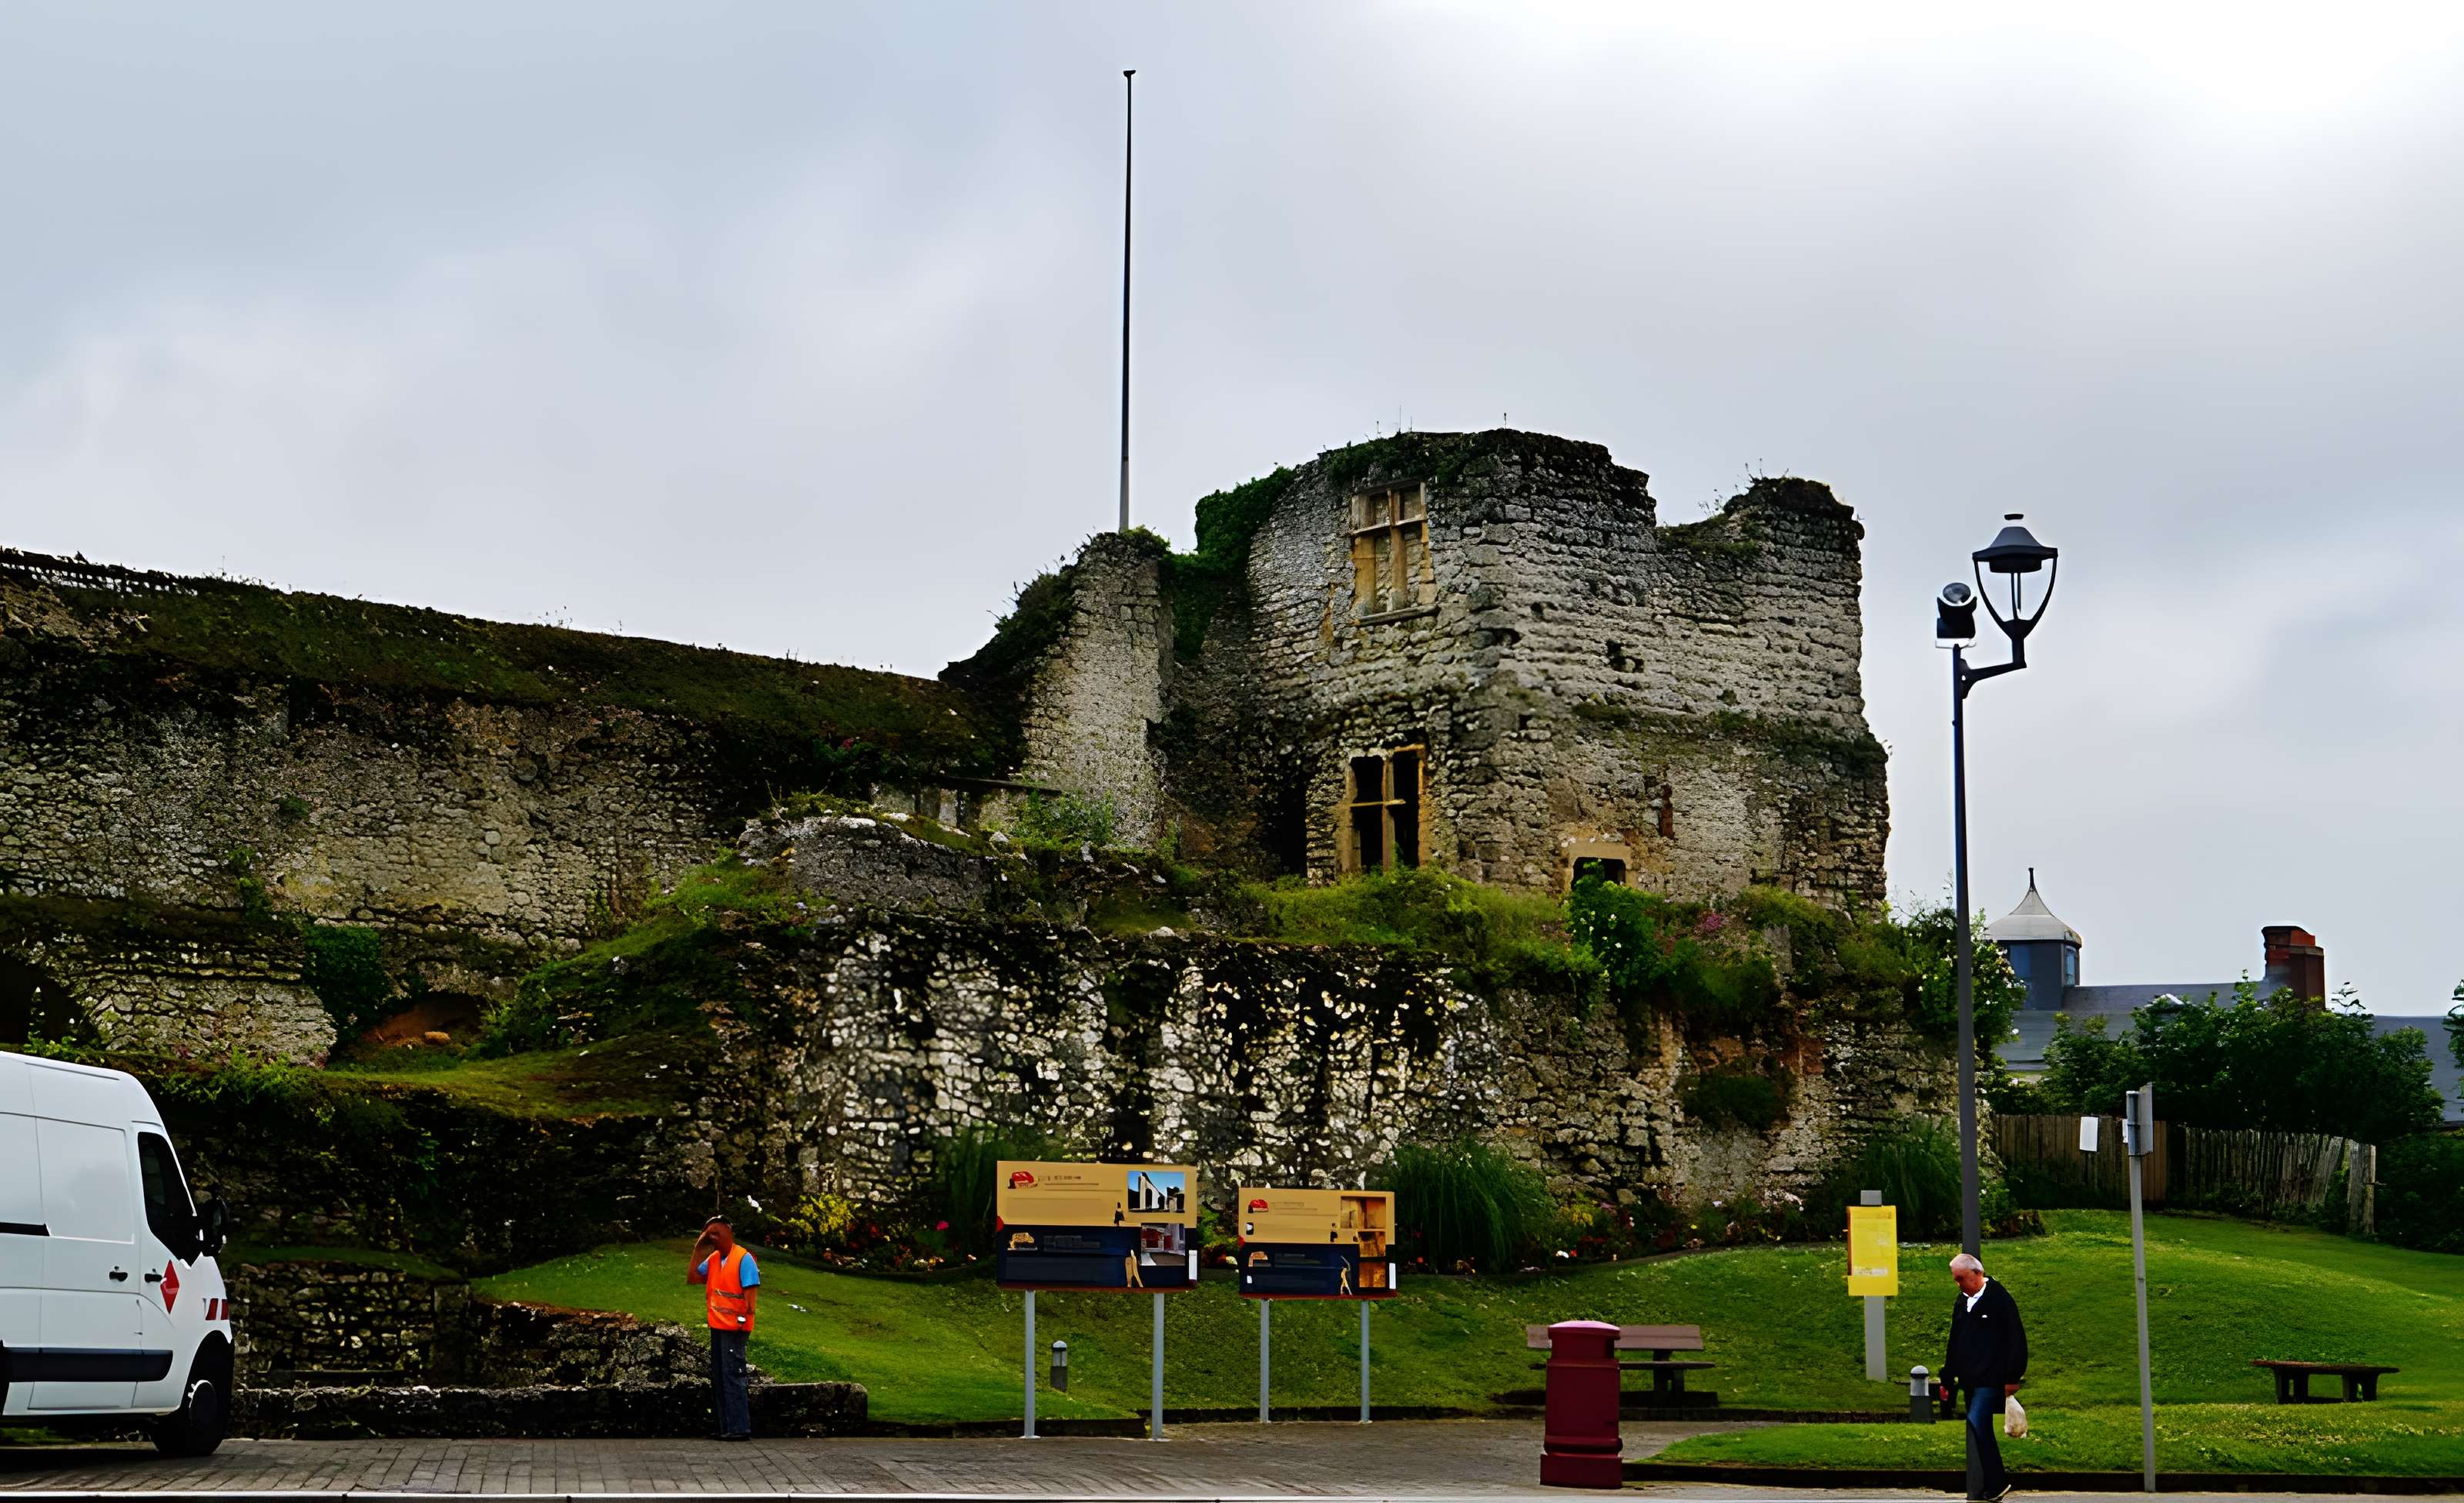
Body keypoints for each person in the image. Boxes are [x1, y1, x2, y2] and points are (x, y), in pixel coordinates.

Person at [1940, 1251, 2027, 1501]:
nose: (1958, 1284)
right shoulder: (1962, 1302)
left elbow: (2016, 1339)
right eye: (1956, 1279)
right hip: (1970, 1377)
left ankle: (1997, 1482)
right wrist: (1948, 1377)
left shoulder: (1999, 1299)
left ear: (1977, 1273)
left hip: (1992, 1377)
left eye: (1961, 1278)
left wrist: (2012, 1378)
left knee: (1978, 1420)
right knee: (1978, 1424)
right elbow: (1955, 1341)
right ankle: (1990, 1485)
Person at [686, 1217, 758, 1441]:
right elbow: (693, 1277)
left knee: (733, 1375)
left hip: (734, 1329)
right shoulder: (714, 1259)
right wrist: (698, 1248)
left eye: (717, 1233)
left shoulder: (744, 1259)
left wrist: (740, 1325)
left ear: (729, 1232)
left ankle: (738, 1428)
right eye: (709, 1234)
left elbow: (750, 1303)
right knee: (719, 1377)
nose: (713, 1238)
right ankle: (724, 1427)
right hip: (717, 1326)